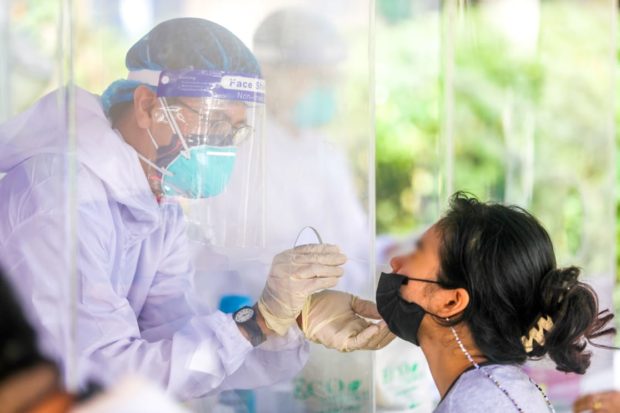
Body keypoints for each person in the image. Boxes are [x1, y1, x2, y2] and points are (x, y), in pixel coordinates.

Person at [0, 17, 392, 400]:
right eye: (213, 122)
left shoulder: (156, 202)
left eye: (233, 131)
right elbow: (101, 377)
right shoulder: (59, 200)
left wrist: (288, 322)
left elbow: (178, 343)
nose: (223, 145)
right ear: (146, 105)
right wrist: (257, 322)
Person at [376, 192, 615, 412]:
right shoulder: (503, 390)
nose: (396, 262)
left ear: (451, 302)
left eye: (416, 253)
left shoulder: (469, 405)